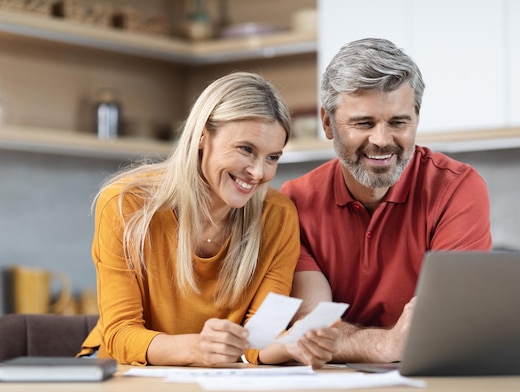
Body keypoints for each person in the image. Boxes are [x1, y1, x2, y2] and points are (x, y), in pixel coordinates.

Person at [79, 72, 338, 368]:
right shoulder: (127, 205)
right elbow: (119, 334)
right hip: (122, 376)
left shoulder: (277, 216)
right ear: (203, 135)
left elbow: (258, 341)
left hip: (215, 380)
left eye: (272, 158)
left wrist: (291, 344)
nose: (257, 173)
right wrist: (195, 348)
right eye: (246, 149)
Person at [280, 38, 492, 363]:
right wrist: (384, 345)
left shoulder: (457, 189)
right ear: (328, 123)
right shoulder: (294, 203)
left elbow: (448, 323)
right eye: (363, 123)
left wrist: (354, 343)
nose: (381, 141)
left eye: (398, 122)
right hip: (332, 385)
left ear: (417, 119)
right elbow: (312, 329)